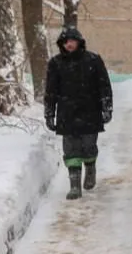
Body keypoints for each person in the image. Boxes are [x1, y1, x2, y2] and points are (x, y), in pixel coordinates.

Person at [44, 27, 113, 200]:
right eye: (65, 42)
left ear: (79, 42)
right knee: (70, 149)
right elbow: (50, 91)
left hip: (90, 112)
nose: (69, 44)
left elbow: (104, 86)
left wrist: (107, 107)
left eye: (72, 41)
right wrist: (49, 113)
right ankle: (74, 186)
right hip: (67, 114)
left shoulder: (93, 60)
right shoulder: (55, 63)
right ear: (61, 44)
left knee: (89, 146)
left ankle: (90, 168)